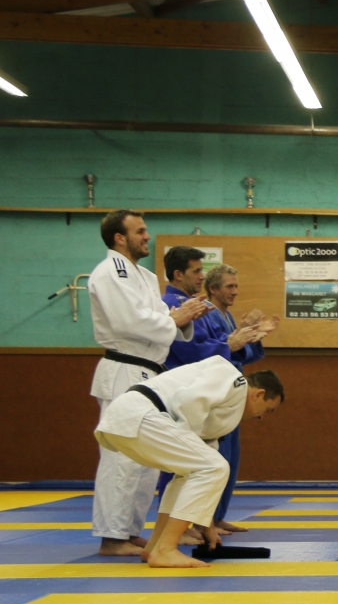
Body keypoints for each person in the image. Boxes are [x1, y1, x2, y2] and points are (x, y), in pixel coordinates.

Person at [87, 211, 209, 557]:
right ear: (119, 238)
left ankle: (128, 530)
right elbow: (129, 321)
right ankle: (112, 536)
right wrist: (174, 319)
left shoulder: (141, 274)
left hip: (149, 371)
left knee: (145, 459)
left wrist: (183, 317)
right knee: (121, 458)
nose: (147, 236)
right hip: (125, 368)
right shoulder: (110, 272)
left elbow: (157, 316)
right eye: (139, 231)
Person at [93, 356, 284, 568]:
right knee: (215, 467)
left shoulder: (225, 415)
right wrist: (185, 437)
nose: (261, 418)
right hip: (141, 414)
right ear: (259, 394)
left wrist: (206, 522)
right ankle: (166, 550)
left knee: (193, 473)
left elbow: (202, 473)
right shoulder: (230, 376)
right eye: (268, 410)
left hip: (130, 420)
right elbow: (189, 401)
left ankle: (155, 547)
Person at [155, 251, 271, 542]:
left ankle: (211, 518)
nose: (201, 277)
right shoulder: (172, 305)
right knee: (185, 461)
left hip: (217, 389)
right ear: (179, 274)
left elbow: (226, 347)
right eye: (196, 271)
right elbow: (192, 348)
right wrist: (236, 339)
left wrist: (249, 334)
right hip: (191, 391)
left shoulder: (199, 307)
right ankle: (183, 525)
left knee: (223, 459)